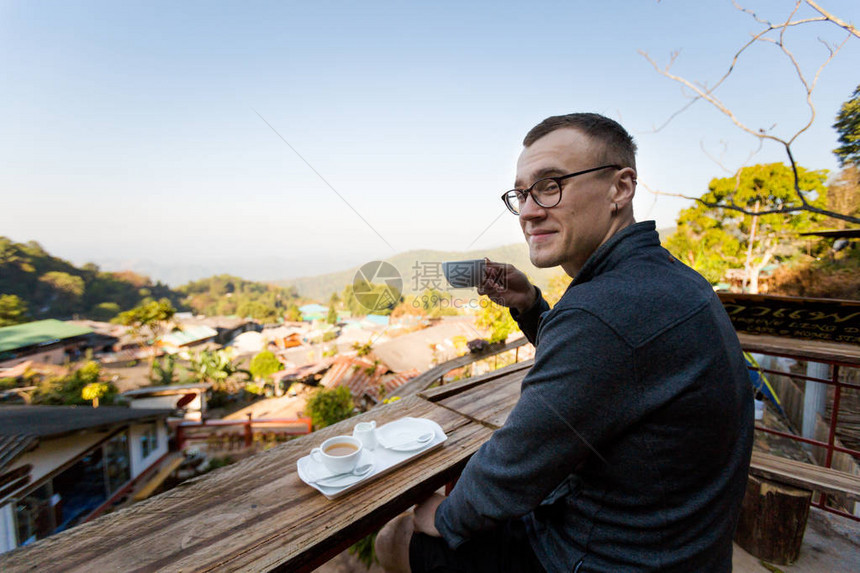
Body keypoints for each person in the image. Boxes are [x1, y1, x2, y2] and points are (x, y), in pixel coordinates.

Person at [375, 113, 754, 573]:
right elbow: (612, 365)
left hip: (604, 557)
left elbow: (517, 461)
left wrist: (449, 515)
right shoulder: (670, 277)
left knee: (396, 537)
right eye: (521, 194)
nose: (530, 210)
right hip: (683, 546)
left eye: (551, 185)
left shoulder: (601, 308)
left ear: (621, 187)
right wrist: (531, 304)